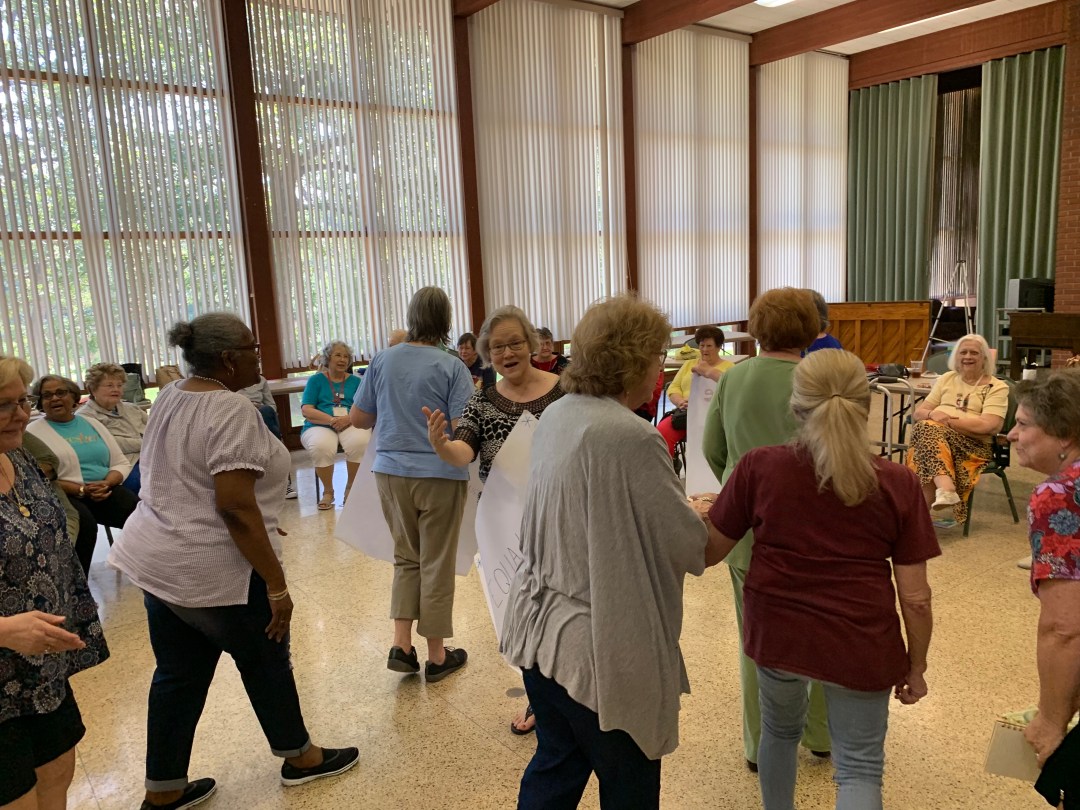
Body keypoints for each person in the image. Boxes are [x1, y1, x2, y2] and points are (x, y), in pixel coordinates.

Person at [109, 313, 358, 808]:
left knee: (177, 675)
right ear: (227, 358)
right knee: (266, 659)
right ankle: (301, 758)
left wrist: (262, 516)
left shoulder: (172, 394)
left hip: (157, 561)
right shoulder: (231, 409)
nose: (258, 358)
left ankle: (164, 790)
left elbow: (182, 477)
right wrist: (276, 585)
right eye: (252, 350)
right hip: (213, 569)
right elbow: (234, 506)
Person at [501, 294, 728, 809]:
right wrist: (736, 507)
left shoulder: (560, 412)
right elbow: (694, 550)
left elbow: (596, 511)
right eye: (657, 356)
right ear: (633, 360)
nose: (660, 369)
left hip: (539, 632)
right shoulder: (630, 436)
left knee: (555, 770)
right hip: (597, 652)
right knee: (629, 790)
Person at [698, 349, 939, 810]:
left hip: (778, 632)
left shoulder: (758, 467)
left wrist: (698, 514)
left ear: (796, 405)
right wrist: (916, 665)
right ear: (866, 406)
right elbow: (917, 598)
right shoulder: (898, 483)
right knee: (859, 768)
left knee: (778, 732)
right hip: (861, 640)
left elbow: (710, 553)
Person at [701, 286, 831, 772]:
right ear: (811, 328)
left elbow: (713, 448)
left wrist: (738, 487)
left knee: (755, 641)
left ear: (757, 329)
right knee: (819, 631)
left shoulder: (734, 378)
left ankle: (760, 745)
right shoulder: (821, 379)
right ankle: (820, 734)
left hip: (748, 532)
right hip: (816, 532)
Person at [424, 305, 563, 736]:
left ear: (531, 344)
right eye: (497, 347)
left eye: (515, 343)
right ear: (487, 353)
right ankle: (540, 698)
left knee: (563, 610)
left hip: (563, 518)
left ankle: (573, 698)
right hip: (506, 526)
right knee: (521, 613)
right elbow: (464, 448)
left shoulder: (566, 390)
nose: (507, 353)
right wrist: (443, 447)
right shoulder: (482, 400)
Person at [0, 355, 110, 810]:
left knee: (57, 773)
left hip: (40, 668)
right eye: (4, 405)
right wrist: (5, 630)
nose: (22, 415)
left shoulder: (18, 456)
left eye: (22, 402)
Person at [351, 287, 476, 683]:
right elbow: (464, 427)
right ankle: (437, 656)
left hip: (390, 472)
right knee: (436, 561)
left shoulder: (382, 359)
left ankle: (401, 646)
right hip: (439, 473)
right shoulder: (452, 366)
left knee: (406, 557)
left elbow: (358, 418)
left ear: (411, 317)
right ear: (445, 321)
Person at [1007, 369, 1080, 806]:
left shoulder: (1060, 494)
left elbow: (1065, 626)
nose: (1012, 435)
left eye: (1023, 424)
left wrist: (1052, 719)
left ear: (1065, 434)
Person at [27, 374, 138, 575]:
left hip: (103, 488)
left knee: (139, 514)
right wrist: (81, 489)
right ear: (40, 402)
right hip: (64, 494)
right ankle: (79, 586)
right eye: (47, 395)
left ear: (73, 396)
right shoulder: (33, 433)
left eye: (61, 392)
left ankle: (148, 572)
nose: (54, 398)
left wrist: (107, 483)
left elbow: (120, 462)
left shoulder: (92, 423)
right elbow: (38, 478)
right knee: (84, 525)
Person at [906, 333, 1008, 528]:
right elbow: (919, 412)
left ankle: (923, 512)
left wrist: (947, 421)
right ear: (956, 356)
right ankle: (937, 499)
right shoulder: (947, 378)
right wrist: (932, 415)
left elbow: (990, 426)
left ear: (984, 358)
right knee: (927, 433)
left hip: (973, 445)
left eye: (974, 353)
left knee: (925, 434)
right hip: (937, 442)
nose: (967, 357)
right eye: (963, 352)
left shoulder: (996, 387)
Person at [300, 342, 370, 510]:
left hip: (350, 422)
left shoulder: (357, 381)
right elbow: (307, 410)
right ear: (327, 358)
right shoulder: (315, 380)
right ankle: (328, 491)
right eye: (338, 355)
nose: (342, 359)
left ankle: (351, 488)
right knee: (321, 446)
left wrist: (347, 419)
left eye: (346, 356)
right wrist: (331, 420)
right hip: (319, 424)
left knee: (361, 442)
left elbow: (364, 407)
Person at [657, 326, 734, 458]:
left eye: (709, 346)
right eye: (702, 345)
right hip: (686, 413)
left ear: (719, 347)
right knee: (662, 432)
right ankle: (667, 466)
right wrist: (680, 401)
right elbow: (674, 387)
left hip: (715, 416)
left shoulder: (729, 368)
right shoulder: (689, 364)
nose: (704, 349)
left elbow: (733, 391)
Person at [77, 362, 149, 494]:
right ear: (92, 389)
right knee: (151, 481)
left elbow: (156, 429)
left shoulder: (132, 408)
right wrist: (149, 442)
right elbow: (111, 444)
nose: (116, 389)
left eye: (119, 385)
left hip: (149, 456)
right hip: (123, 465)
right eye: (109, 385)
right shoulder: (85, 417)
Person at [239, 375, 297, 499]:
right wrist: (249, 407)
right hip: (240, 418)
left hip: (262, 416)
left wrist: (258, 408)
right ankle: (273, 443)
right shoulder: (228, 380)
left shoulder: (261, 380)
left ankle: (284, 485)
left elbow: (272, 405)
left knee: (267, 411)